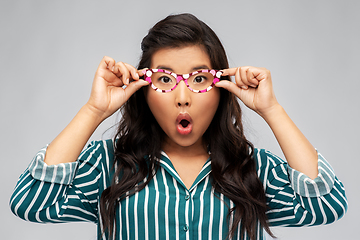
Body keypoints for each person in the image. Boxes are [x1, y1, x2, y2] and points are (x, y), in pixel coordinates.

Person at [9, 13, 347, 240]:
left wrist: (271, 109)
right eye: (165, 79)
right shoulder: (109, 165)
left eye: (199, 79)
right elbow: (31, 203)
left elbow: (327, 205)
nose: (182, 98)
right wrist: (94, 109)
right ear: (143, 86)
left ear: (221, 89)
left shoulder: (253, 169)